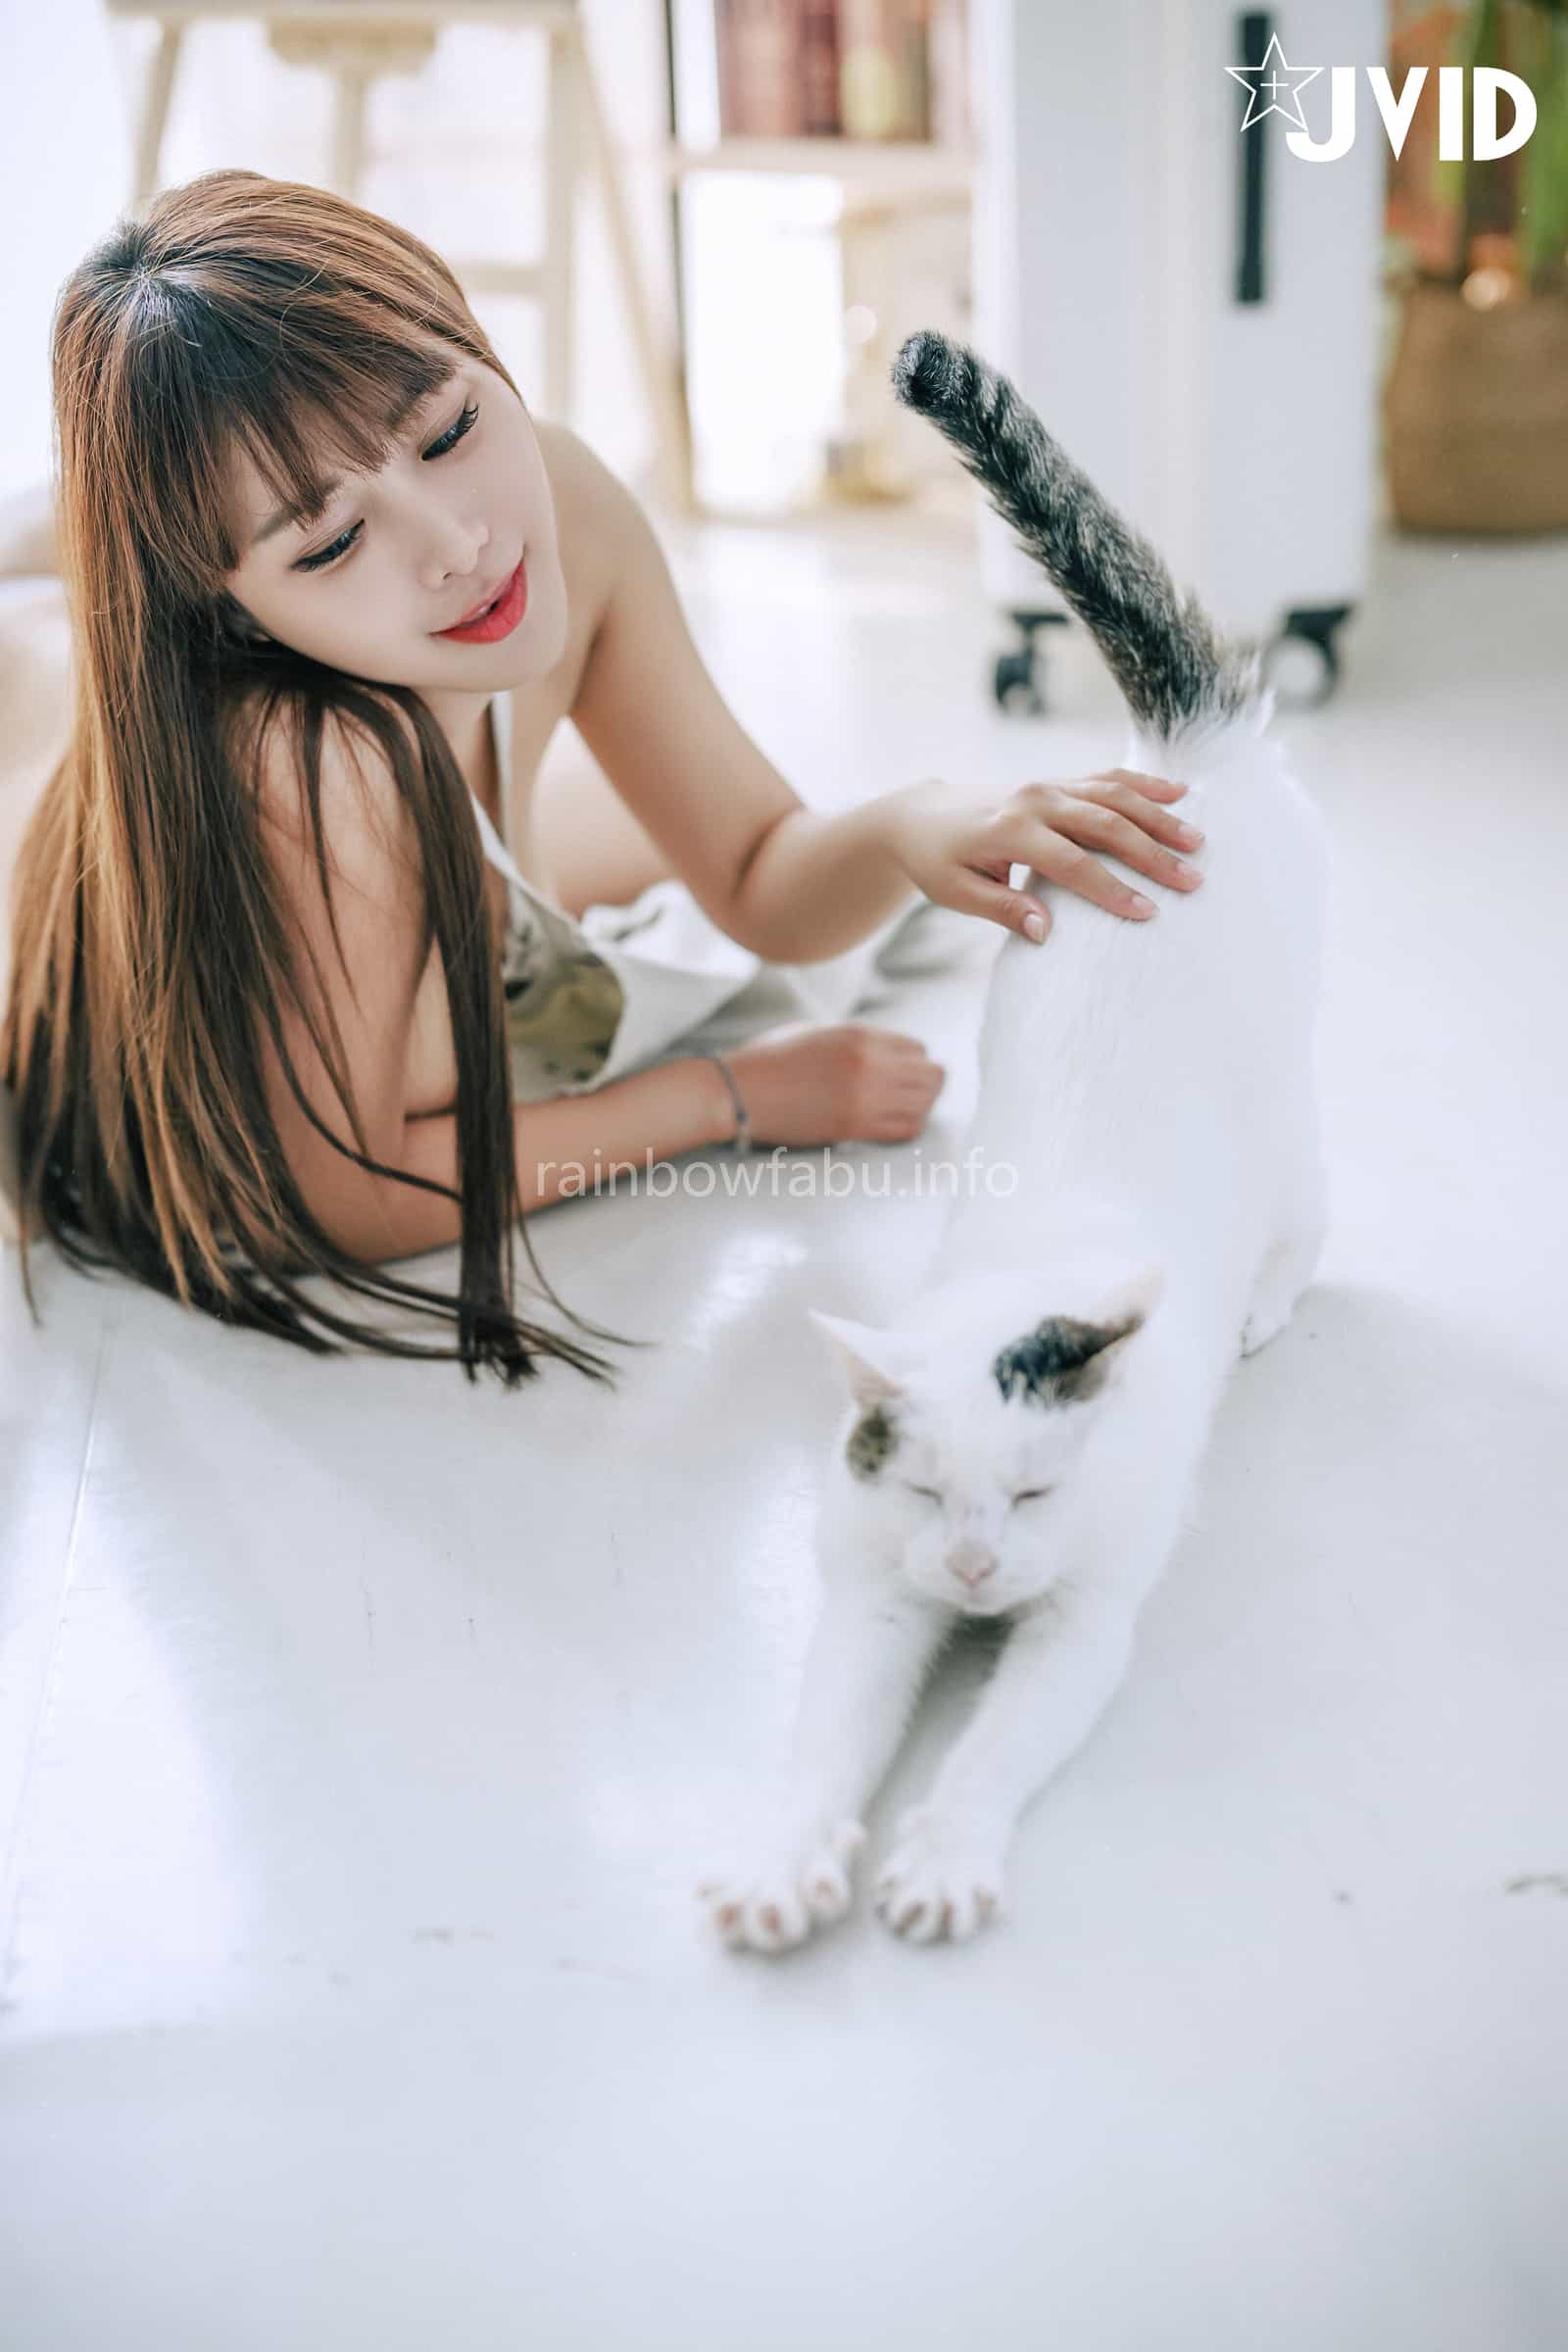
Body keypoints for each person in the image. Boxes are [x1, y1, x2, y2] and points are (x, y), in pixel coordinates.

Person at [0, 170, 1205, 1392]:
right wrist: (729, 1097)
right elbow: (336, 1198)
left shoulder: (559, 500)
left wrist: (913, 823)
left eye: (449, 430)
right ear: (231, 611)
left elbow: (755, 870)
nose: (459, 546)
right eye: (333, 541)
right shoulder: (318, 774)